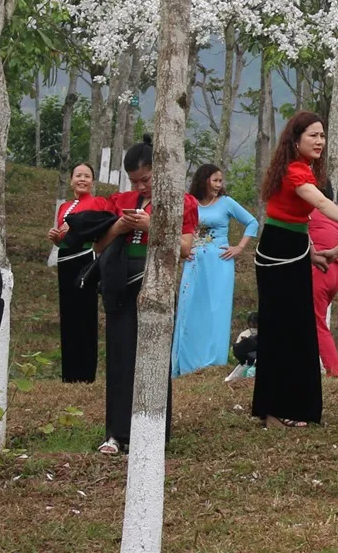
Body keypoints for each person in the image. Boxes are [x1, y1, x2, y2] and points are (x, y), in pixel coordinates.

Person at [94, 141, 198, 456]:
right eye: (135, 181)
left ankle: (153, 428)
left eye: (146, 179)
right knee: (120, 356)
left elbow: (184, 247)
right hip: (121, 284)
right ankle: (116, 433)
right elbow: (99, 246)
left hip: (157, 282)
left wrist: (151, 225)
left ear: (161, 173)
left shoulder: (181, 202)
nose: (140, 186)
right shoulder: (119, 201)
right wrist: (120, 225)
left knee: (153, 357)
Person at [252, 111, 338, 428]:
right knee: (281, 330)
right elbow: (319, 204)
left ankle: (292, 407)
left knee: (298, 330)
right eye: (313, 136)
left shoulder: (304, 168)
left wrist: (312, 254)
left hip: (294, 249)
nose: (319, 141)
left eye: (322, 135)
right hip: (278, 253)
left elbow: (295, 223)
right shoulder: (295, 171)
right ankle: (273, 411)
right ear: (295, 140)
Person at [174, 163, 257, 376]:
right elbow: (178, 229)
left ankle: (213, 363)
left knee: (216, 311)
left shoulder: (226, 202)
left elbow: (252, 222)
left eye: (221, 181)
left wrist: (239, 247)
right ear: (203, 181)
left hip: (220, 264)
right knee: (189, 308)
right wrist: (182, 250)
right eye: (215, 180)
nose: (219, 185)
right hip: (194, 263)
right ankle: (185, 364)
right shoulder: (189, 203)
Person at [46, 163, 110, 383]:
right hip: (65, 260)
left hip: (85, 259)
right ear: (71, 179)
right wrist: (56, 237)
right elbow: (63, 240)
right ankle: (69, 373)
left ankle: (86, 373)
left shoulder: (99, 203)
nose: (82, 179)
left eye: (87, 176)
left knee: (86, 314)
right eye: (78, 175)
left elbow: (102, 230)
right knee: (68, 314)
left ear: (92, 181)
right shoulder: (64, 207)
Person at [309, 209, 338, 377]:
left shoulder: (305, 208)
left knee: (316, 322)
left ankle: (335, 370)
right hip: (336, 271)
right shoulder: (330, 212)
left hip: (319, 267)